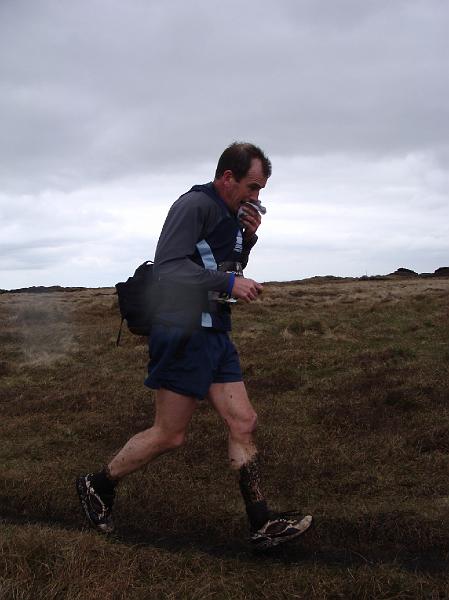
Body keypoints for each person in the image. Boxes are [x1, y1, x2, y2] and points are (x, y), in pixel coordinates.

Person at [76, 142, 312, 550]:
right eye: (252, 187)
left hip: (215, 331)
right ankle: (97, 485)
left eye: (261, 191)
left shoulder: (229, 217)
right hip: (184, 330)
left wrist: (247, 241)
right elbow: (168, 266)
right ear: (227, 178)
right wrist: (229, 283)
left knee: (243, 422)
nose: (257, 198)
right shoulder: (194, 205)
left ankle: (261, 523)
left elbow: (220, 266)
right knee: (170, 434)